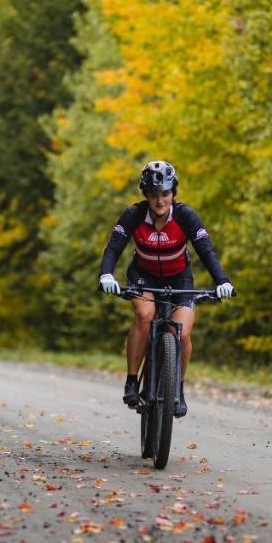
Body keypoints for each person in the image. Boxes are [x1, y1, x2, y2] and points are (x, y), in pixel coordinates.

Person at [99, 160, 234, 417]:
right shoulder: (133, 215)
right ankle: (131, 382)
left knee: (181, 334)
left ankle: (177, 390)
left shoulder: (186, 216)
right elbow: (114, 247)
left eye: (165, 194)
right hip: (143, 276)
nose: (160, 201)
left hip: (180, 279)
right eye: (153, 195)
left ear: (173, 193)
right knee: (144, 315)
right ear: (145, 195)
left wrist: (222, 281)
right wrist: (106, 274)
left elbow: (206, 251)